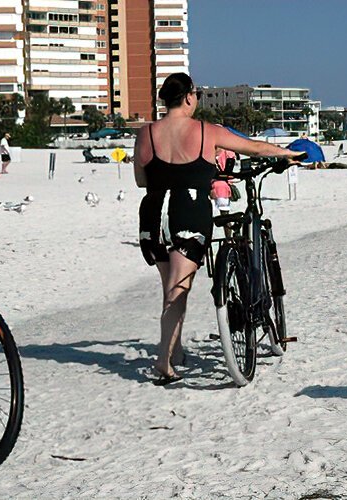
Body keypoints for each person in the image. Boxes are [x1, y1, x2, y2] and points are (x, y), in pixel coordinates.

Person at [133, 73, 302, 385]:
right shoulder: (205, 131)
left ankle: (176, 350)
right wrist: (286, 154)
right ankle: (163, 361)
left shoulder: (146, 134)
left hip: (154, 213)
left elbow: (141, 180)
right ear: (187, 98)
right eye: (195, 93)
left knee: (170, 288)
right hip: (188, 210)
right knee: (179, 289)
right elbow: (253, 148)